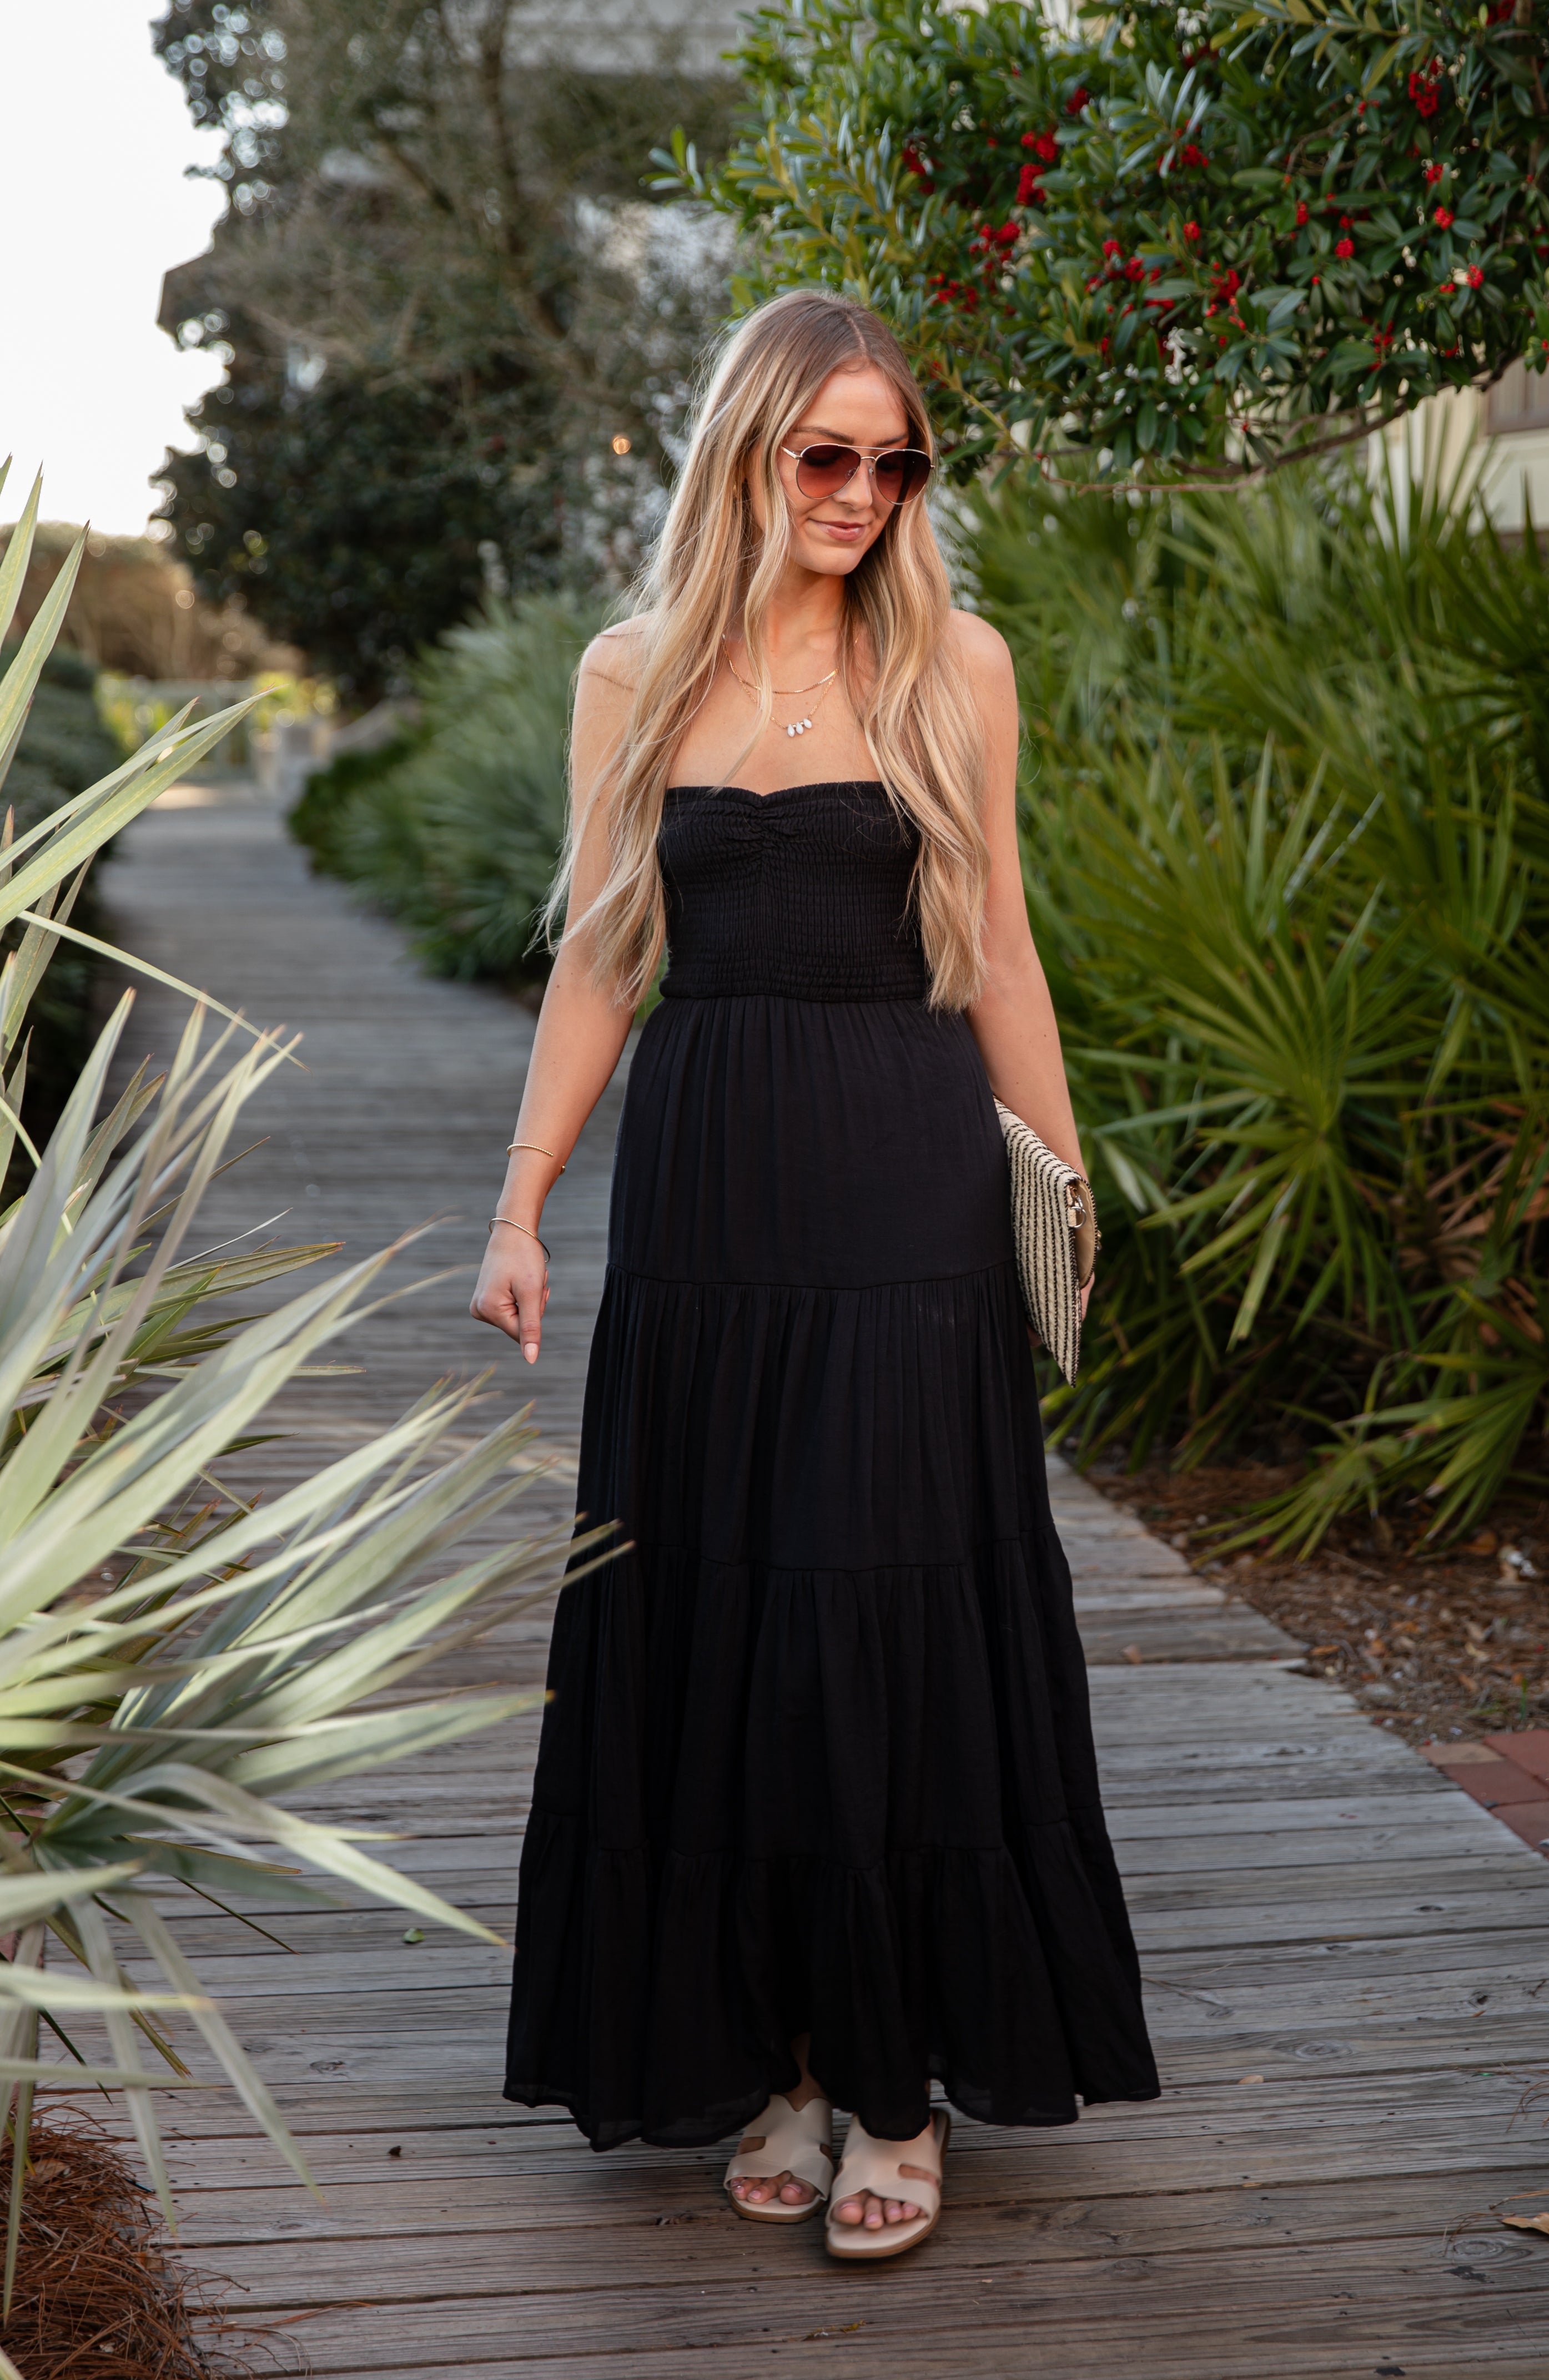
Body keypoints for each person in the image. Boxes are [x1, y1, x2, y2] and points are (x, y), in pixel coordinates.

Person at [470, 289, 1159, 2261]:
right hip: (701, 1198)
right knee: (720, 1599)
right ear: (747, 451)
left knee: (879, 1601)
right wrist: (520, 1205)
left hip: (899, 1178)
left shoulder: (957, 665)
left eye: (893, 460)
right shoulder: (631, 673)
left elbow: (1003, 948)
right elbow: (606, 955)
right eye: (825, 455)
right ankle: (771, 2055)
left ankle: (894, 2085)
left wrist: (1063, 1188)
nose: (862, 494)